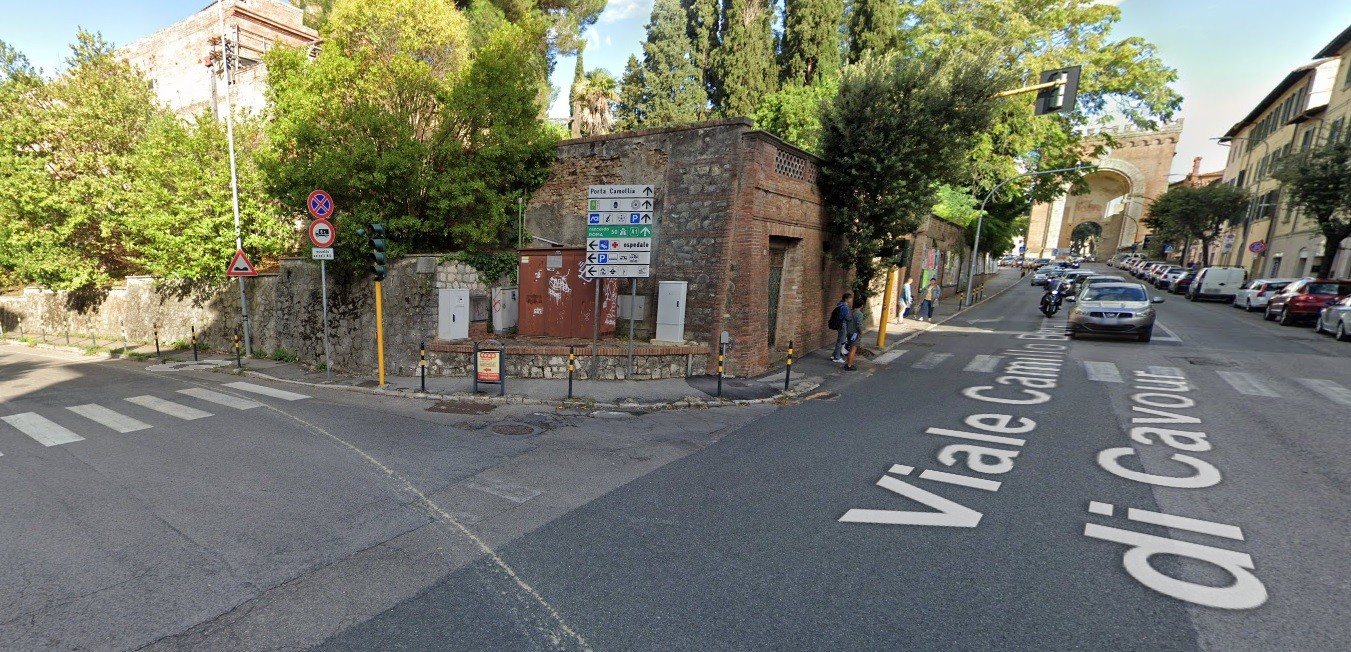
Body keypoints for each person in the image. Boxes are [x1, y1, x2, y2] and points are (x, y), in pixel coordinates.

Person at [844, 296, 866, 370]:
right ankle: (849, 365)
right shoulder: (859, 314)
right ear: (861, 306)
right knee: (853, 349)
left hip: (849, 332)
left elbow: (846, 319)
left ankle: (848, 363)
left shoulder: (850, 312)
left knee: (850, 348)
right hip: (855, 333)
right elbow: (858, 325)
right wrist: (861, 332)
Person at [830, 292, 851, 362]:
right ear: (846, 299)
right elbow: (846, 317)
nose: (851, 300)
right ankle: (837, 357)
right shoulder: (845, 307)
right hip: (843, 325)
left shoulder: (839, 305)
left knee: (839, 340)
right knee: (841, 341)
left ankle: (834, 355)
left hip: (839, 324)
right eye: (850, 298)